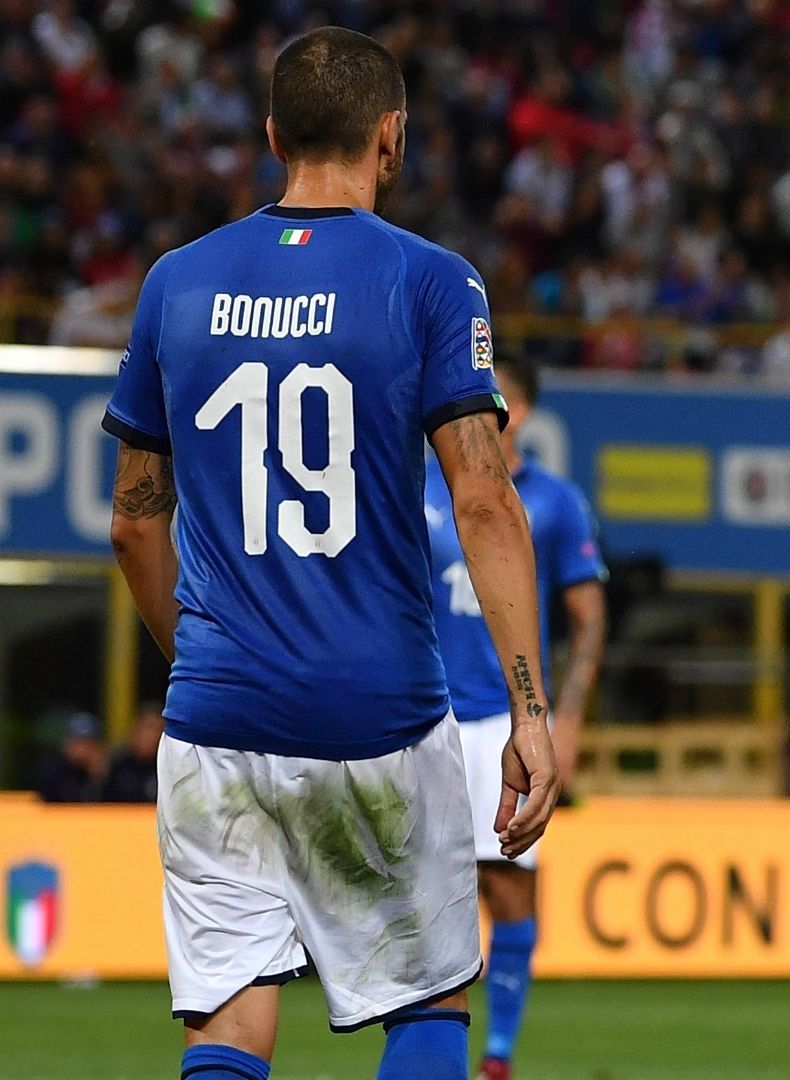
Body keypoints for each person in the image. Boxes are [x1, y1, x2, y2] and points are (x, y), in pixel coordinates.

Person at [101, 27, 558, 1080]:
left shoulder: (177, 282)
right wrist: (529, 708)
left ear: (272, 135)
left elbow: (133, 519)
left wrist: (203, 656)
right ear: (391, 138)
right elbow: (484, 499)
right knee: (430, 997)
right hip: (379, 713)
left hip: (219, 716)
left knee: (227, 1020)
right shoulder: (433, 281)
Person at [425, 351, 607, 1080]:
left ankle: (496, 1054)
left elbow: (588, 619)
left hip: (503, 721)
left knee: (505, 885)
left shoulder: (555, 501)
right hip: (423, 718)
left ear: (517, 410)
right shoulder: (422, 486)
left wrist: (565, 718)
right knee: (428, 895)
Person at [36, 711, 107, 803]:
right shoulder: (53, 770)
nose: (81, 748)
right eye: (76, 741)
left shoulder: (107, 772)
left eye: (86, 742)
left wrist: (97, 776)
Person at [103, 700, 166, 802]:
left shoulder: (168, 767)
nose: (151, 735)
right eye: (148, 727)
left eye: (157, 729)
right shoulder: (115, 766)